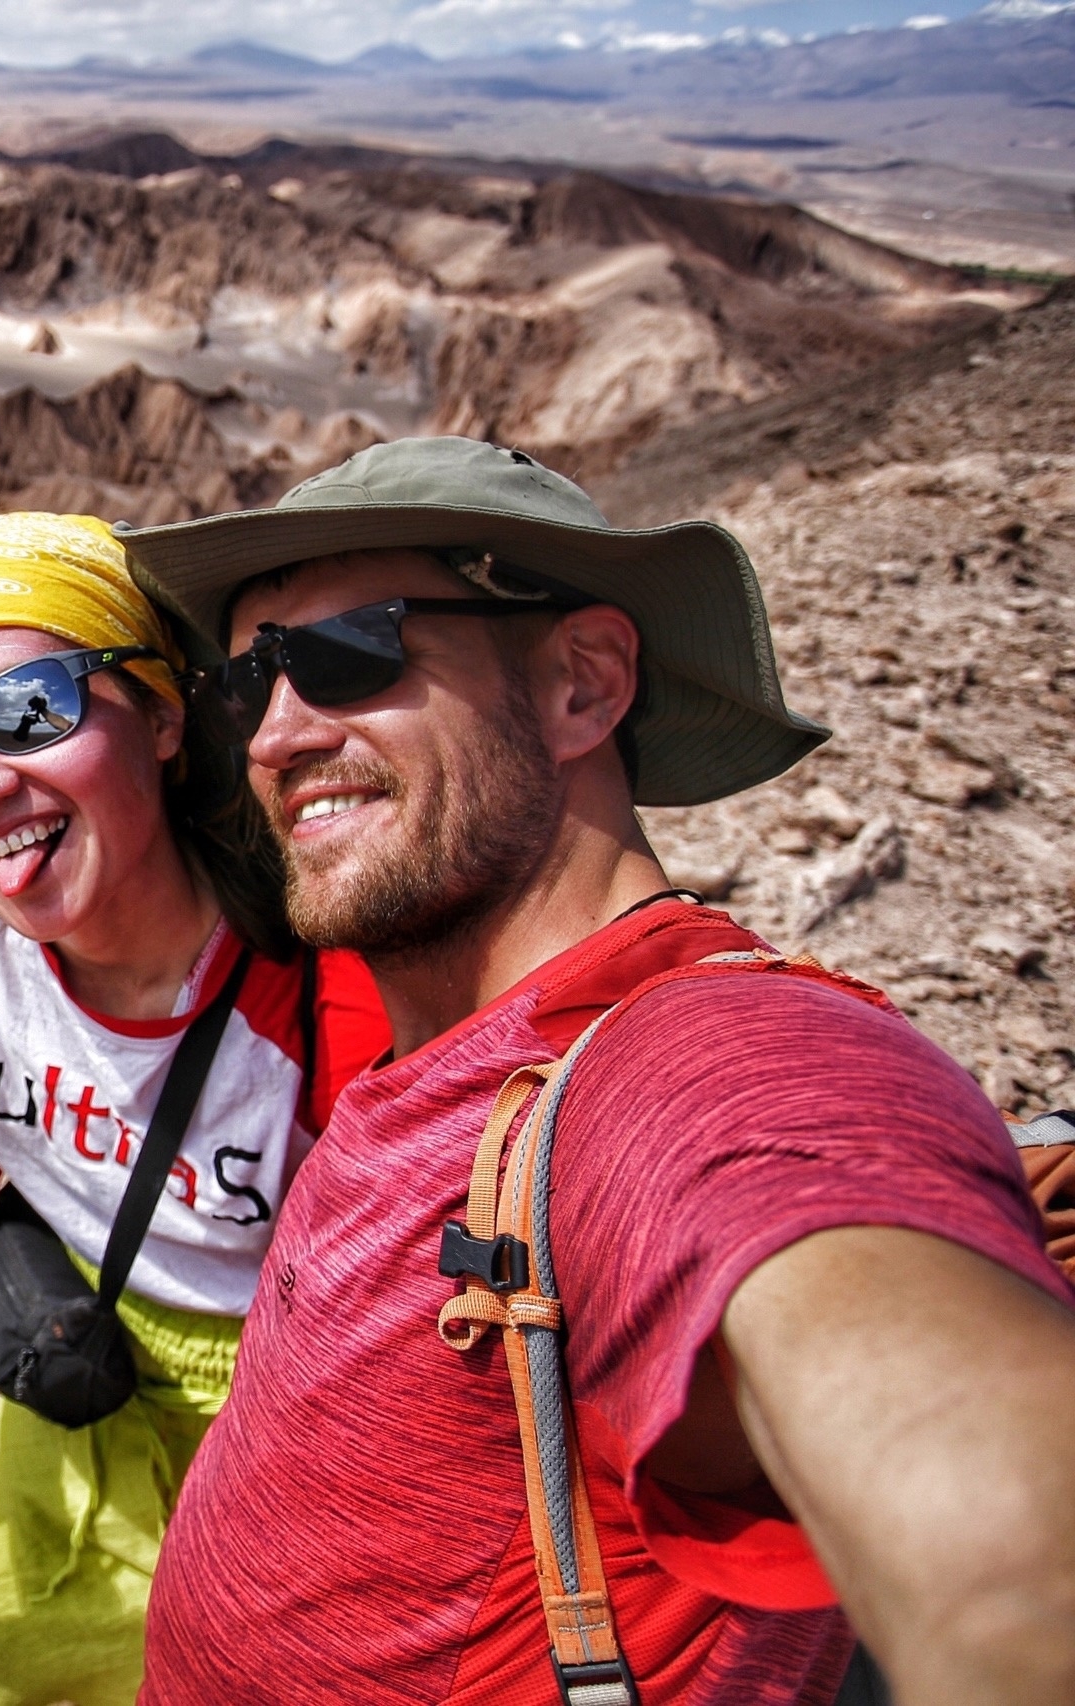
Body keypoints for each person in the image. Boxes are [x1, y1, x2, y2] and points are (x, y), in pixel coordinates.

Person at [117, 437, 1075, 1704]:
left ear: (582, 682)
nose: (277, 735)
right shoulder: (452, 1045)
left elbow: (996, 1541)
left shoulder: (691, 1055)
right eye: (249, 681)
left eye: (349, 651)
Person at [0, 512, 390, 1706]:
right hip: (92, 1356)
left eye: (28, 709)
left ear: (163, 715)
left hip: (294, 1397)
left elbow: (396, 1268)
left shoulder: (318, 962)